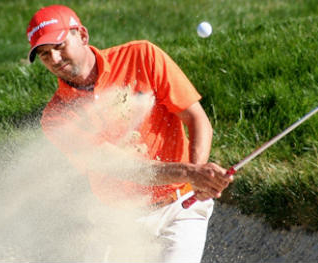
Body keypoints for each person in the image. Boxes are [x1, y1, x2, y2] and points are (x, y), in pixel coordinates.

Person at [25, 5, 233, 262]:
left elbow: (196, 118)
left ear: (82, 35)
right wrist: (191, 173)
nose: (55, 59)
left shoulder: (142, 56)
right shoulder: (58, 117)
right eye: (45, 54)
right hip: (119, 222)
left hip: (182, 209)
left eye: (59, 46)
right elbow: (123, 167)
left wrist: (199, 175)